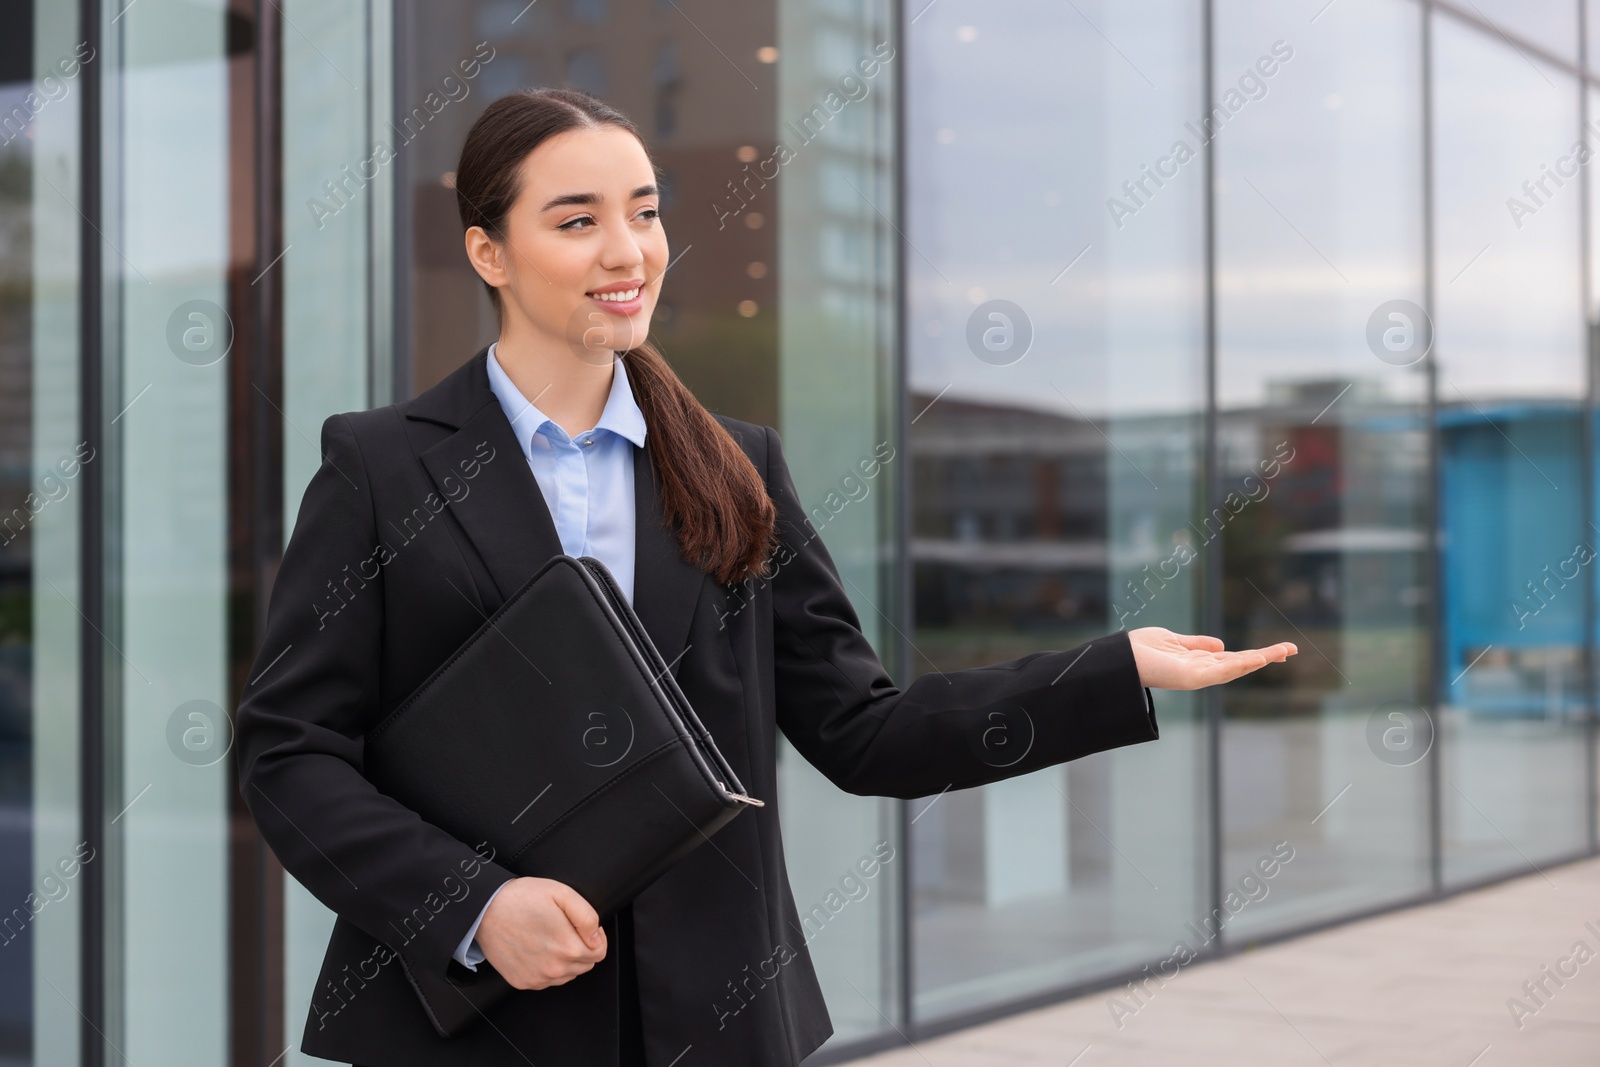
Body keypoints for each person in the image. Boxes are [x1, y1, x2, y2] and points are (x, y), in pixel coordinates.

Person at [234, 87, 1296, 1067]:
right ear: (488, 251)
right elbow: (290, 750)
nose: (627, 251)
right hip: (467, 1022)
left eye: (644, 213)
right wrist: (471, 905)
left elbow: (864, 729)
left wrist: (1112, 668)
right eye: (575, 220)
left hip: (716, 1016)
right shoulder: (379, 466)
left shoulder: (736, 466)